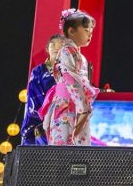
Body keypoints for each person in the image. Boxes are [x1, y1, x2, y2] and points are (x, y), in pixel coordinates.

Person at [41, 9, 98, 145]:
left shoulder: (76, 54)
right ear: (71, 31)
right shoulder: (67, 51)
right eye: (86, 30)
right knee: (65, 144)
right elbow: (70, 80)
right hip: (68, 105)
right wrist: (83, 107)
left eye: (91, 31)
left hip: (75, 104)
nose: (90, 34)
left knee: (72, 144)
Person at [20, 34, 64, 146]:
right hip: (41, 117)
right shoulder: (38, 71)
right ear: (47, 48)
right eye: (53, 44)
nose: (56, 47)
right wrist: (48, 111)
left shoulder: (68, 71)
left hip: (63, 118)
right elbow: (34, 94)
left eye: (61, 45)